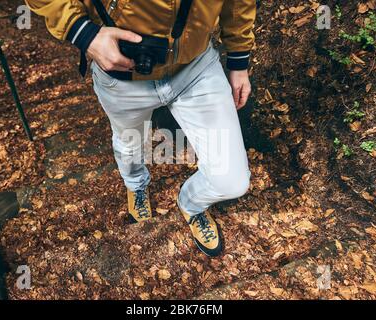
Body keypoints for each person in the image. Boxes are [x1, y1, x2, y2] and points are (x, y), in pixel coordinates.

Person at [25, 0, 256, 257]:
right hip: (123, 75)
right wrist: (83, 32)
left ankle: (191, 204)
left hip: (196, 67)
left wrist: (238, 59)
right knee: (130, 143)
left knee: (231, 180)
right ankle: (136, 185)